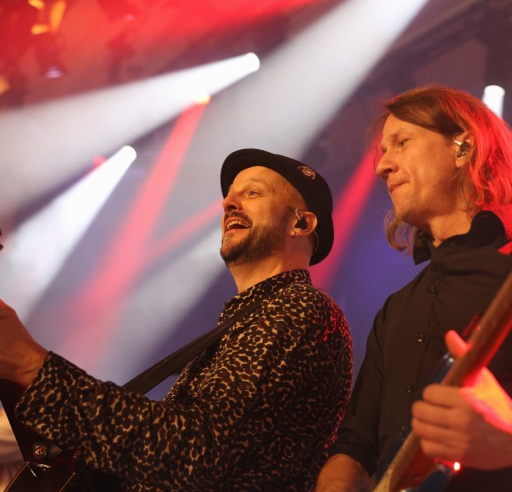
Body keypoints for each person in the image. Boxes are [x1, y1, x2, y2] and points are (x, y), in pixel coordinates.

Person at [0, 148, 352, 491]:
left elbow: (198, 449)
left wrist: (32, 367)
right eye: (229, 196)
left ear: (301, 222)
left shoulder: (298, 306)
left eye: (253, 193)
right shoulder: (249, 318)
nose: (228, 204)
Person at [316, 84, 512, 491]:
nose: (382, 167)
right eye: (384, 151)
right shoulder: (394, 310)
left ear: (462, 148)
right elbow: (355, 443)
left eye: (402, 142)